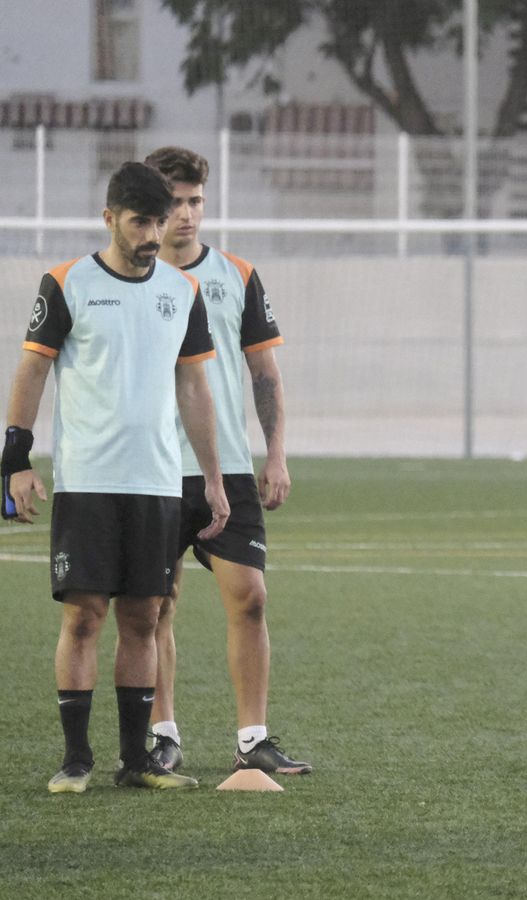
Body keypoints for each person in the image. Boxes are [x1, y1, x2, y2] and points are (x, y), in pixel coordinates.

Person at [2, 161, 229, 792]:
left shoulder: (181, 292)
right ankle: (76, 760)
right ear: (110, 219)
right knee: (83, 618)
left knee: (143, 617)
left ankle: (136, 763)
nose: (153, 232)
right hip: (87, 483)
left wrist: (210, 478)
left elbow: (193, 388)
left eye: (159, 220)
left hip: (156, 483)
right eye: (140, 221)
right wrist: (15, 460)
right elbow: (31, 371)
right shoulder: (67, 282)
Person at [137, 146, 309, 775]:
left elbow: (264, 374)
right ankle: (163, 735)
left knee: (251, 598)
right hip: (150, 467)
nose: (186, 214)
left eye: (195, 201)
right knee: (155, 605)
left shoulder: (236, 274)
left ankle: (252, 739)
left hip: (227, 470)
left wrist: (277, 455)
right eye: (175, 201)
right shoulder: (133, 279)